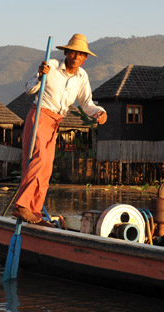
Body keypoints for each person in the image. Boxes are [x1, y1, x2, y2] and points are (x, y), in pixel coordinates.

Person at [13, 33, 107, 226]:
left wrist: (100, 112)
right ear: (66, 53)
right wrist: (40, 75)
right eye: (73, 53)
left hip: (56, 121)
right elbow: (28, 89)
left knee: (46, 169)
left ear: (85, 58)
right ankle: (22, 205)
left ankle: (34, 212)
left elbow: (87, 103)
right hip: (40, 115)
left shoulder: (82, 77)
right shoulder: (51, 66)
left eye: (81, 54)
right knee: (38, 159)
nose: (76, 57)